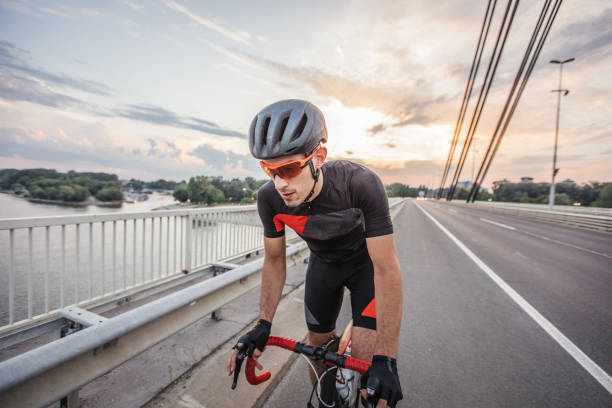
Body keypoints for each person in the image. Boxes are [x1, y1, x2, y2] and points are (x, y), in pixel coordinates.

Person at [227, 99, 403, 407]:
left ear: (318, 157)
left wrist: (387, 358)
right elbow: (274, 260)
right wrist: (263, 324)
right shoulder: (269, 199)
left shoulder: (360, 184)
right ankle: (327, 399)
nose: (280, 183)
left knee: (367, 362)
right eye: (269, 170)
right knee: (318, 353)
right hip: (324, 267)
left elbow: (387, 270)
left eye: (289, 168)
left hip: (366, 269)